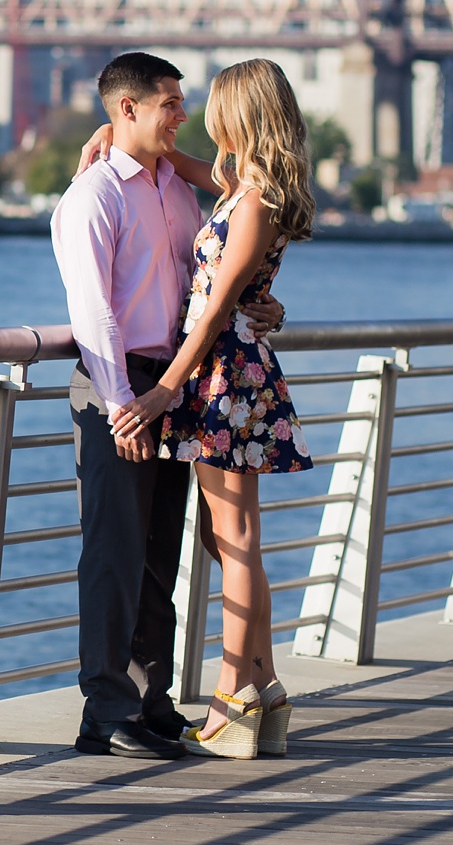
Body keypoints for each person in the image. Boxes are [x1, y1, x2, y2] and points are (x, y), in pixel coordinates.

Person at [49, 53, 285, 761]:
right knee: (114, 553)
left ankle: (152, 703)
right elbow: (93, 313)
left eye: (184, 104)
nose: (182, 117)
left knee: (160, 553)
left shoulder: (181, 191)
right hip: (119, 386)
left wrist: (262, 303)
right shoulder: (93, 196)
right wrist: (125, 404)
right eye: (169, 105)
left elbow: (214, 280)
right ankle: (106, 712)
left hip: (179, 388)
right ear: (128, 110)